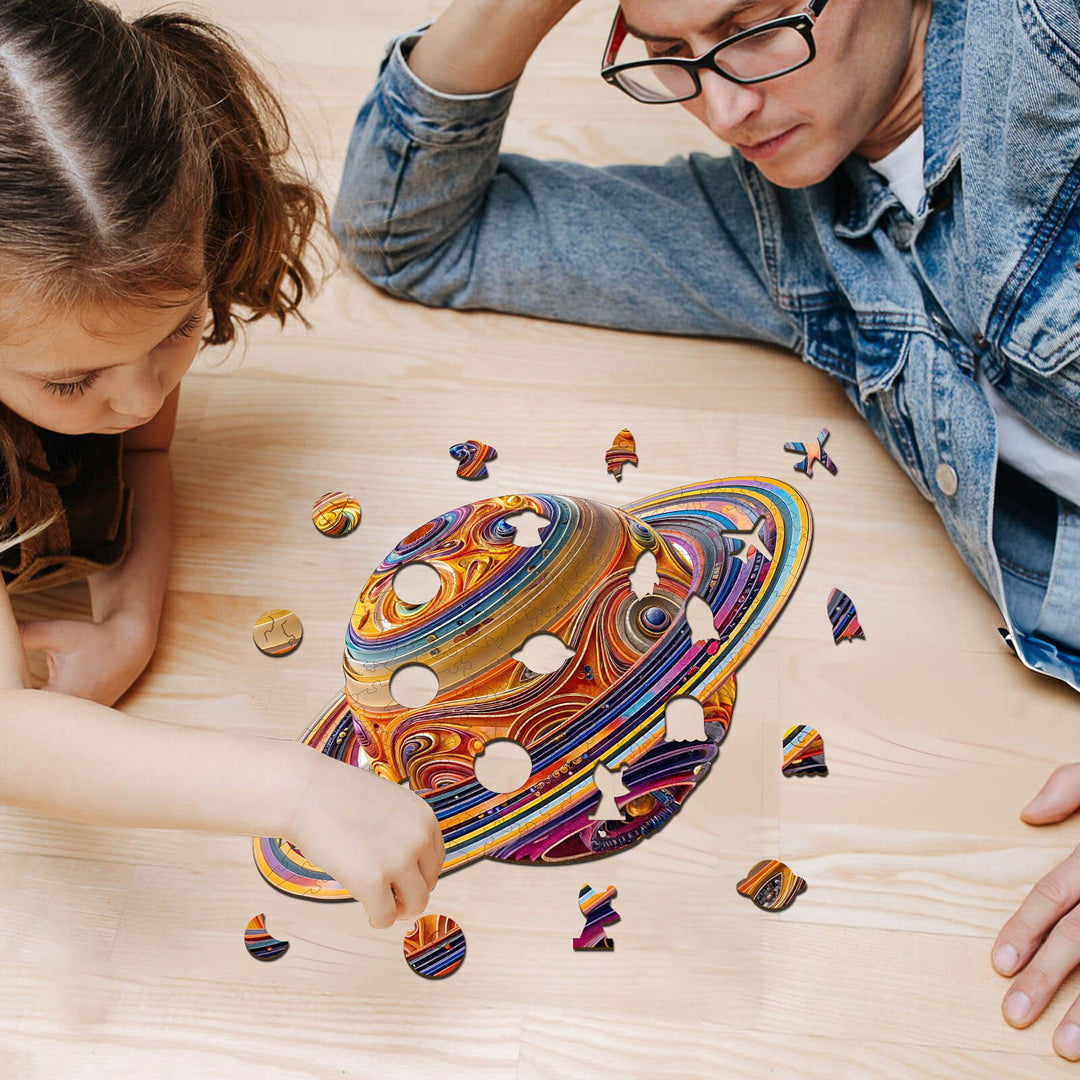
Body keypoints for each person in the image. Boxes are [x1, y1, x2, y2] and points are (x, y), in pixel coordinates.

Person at [330, 0, 1080, 1055]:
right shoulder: (778, 219)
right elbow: (407, 232)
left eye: (754, 25)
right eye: (669, 53)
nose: (723, 107)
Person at [0, 0, 443, 931]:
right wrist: (294, 788)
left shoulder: (114, 341)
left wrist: (127, 623)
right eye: (73, 382)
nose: (136, 398)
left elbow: (147, 446)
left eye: (178, 331)